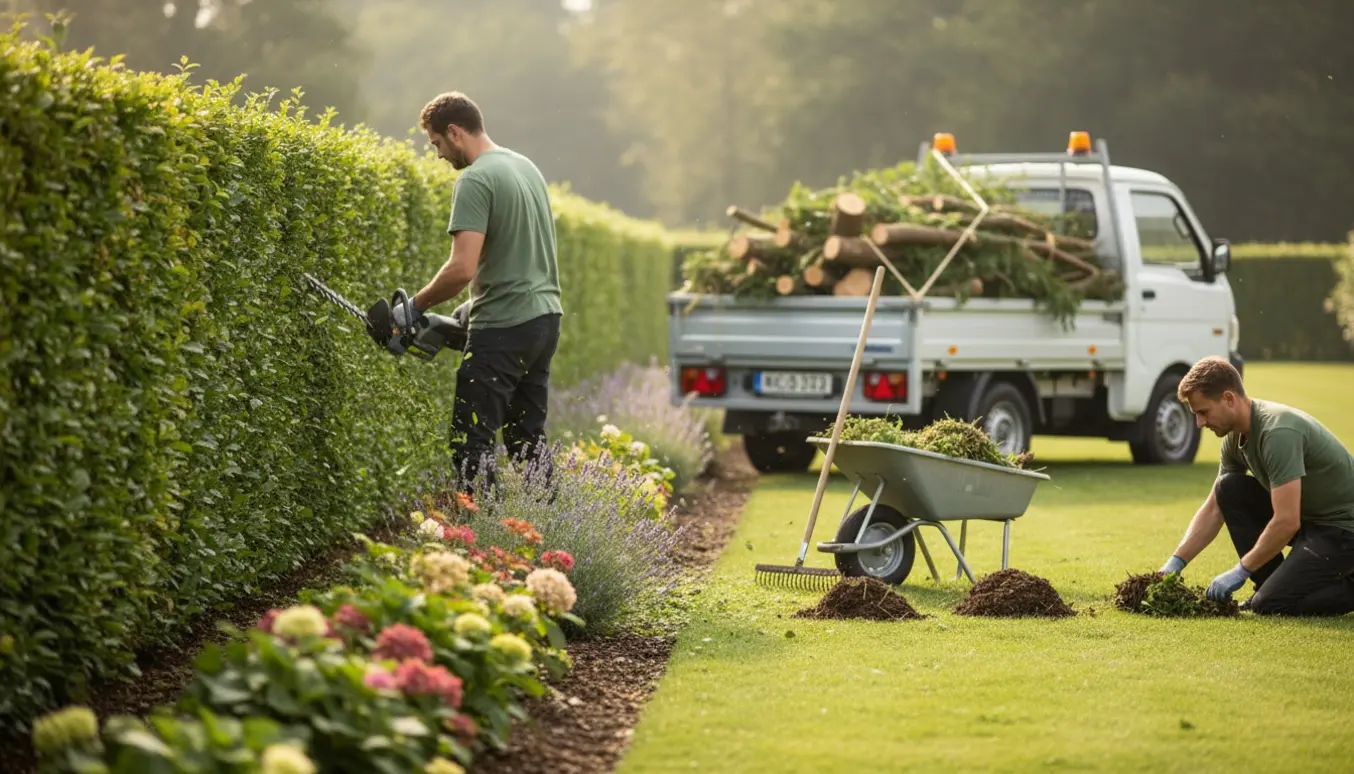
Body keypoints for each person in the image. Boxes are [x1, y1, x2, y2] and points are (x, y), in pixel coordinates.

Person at [396, 91, 564, 491]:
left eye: (436, 143)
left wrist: (413, 308)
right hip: (544, 321)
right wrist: (473, 306)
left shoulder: (475, 179)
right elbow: (521, 252)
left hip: (504, 326)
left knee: (471, 442)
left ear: (454, 132)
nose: (438, 155)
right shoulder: (525, 168)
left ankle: (482, 543)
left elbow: (461, 268)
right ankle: (549, 540)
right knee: (527, 442)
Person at [1158, 356, 1354, 615]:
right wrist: (1176, 562)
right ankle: (1268, 587)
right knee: (1228, 488)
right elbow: (1215, 508)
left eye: (1203, 412)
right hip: (1311, 523)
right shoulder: (1234, 439)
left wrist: (1241, 569)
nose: (1199, 423)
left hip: (1342, 530)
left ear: (1229, 398)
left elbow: (1287, 521)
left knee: (1270, 605)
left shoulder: (1278, 433)